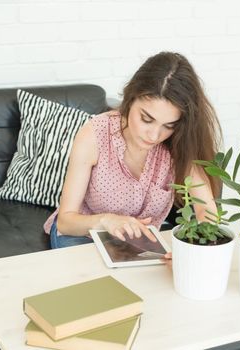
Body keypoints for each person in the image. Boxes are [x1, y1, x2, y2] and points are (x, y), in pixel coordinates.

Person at [42, 51, 222, 249]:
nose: (154, 135)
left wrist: (193, 251)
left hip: (139, 241)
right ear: (130, 99)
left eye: (168, 125)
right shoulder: (94, 136)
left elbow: (206, 212)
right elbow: (66, 222)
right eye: (146, 119)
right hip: (85, 233)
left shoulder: (180, 143)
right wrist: (106, 221)